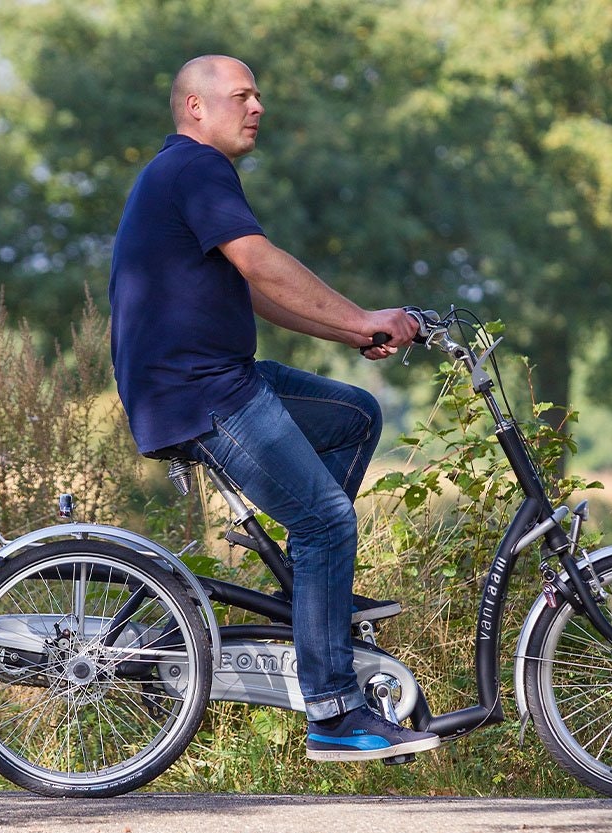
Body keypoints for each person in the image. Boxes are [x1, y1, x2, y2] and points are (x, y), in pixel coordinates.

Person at [108, 55, 440, 762]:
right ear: (196, 107)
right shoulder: (195, 166)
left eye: (257, 95)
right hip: (201, 389)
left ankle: (312, 602)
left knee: (353, 415)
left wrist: (352, 332)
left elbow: (255, 291)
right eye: (242, 96)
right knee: (324, 519)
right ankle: (334, 713)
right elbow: (260, 263)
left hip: (213, 376)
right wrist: (363, 317)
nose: (257, 107)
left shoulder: (181, 173)